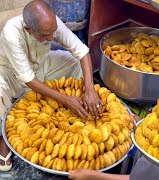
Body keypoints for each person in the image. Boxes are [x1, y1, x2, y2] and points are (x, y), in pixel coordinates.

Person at [0, 0, 103, 171]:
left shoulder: (52, 24)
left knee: (73, 62)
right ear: (28, 29)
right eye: (45, 35)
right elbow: (28, 79)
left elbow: (82, 51)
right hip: (10, 73)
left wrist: (90, 89)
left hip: (42, 66)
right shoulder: (11, 32)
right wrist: (66, 100)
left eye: (52, 33)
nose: (51, 38)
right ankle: (2, 139)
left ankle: (83, 100)